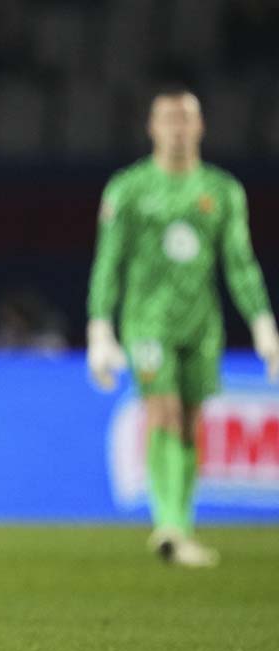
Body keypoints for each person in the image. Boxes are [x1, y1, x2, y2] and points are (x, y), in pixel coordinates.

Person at [86, 87, 278, 568]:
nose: (176, 128)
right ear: (152, 127)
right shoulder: (128, 189)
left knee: (192, 424)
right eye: (167, 118)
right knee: (164, 411)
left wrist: (262, 324)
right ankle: (167, 524)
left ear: (200, 127)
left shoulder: (221, 191)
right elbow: (109, 262)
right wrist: (99, 328)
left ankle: (182, 527)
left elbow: (239, 263)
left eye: (185, 119)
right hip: (147, 321)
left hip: (202, 325)